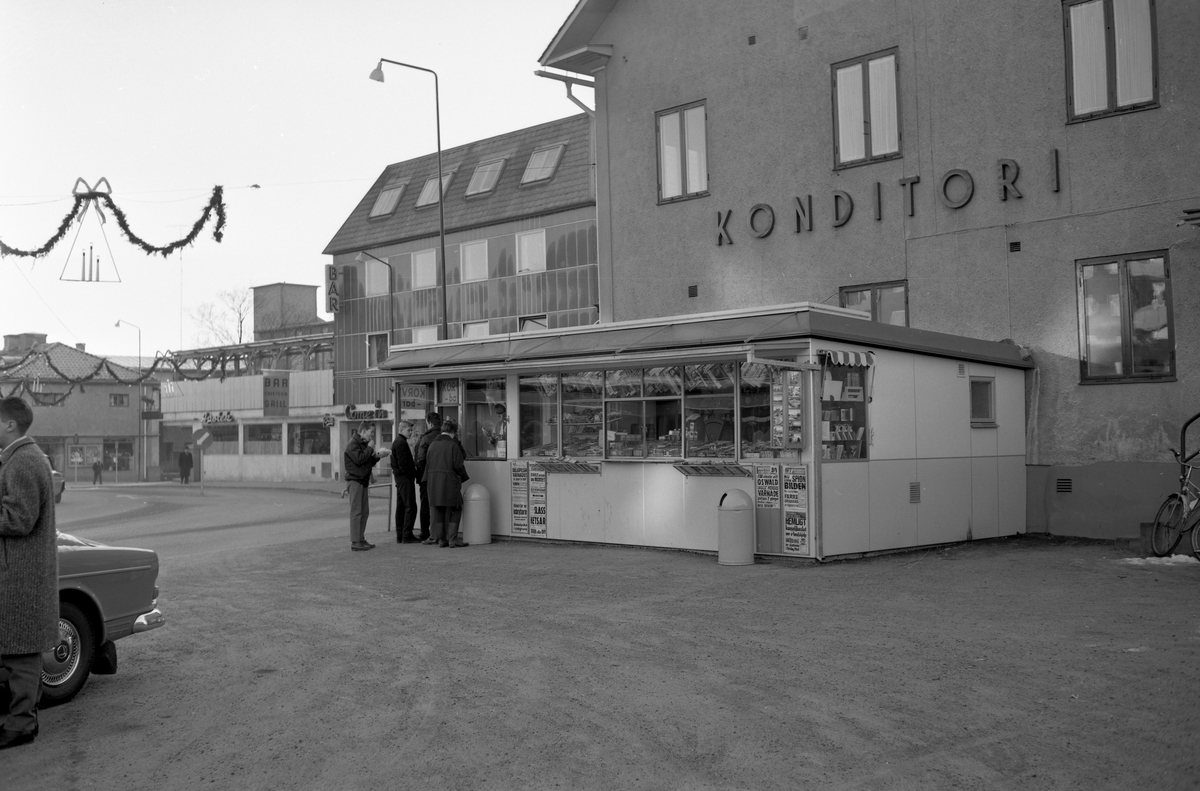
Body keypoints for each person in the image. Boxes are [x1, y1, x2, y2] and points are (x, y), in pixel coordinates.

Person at [0, 396, 59, 750]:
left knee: (20, 654)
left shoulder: (22, 461)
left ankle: (21, 725)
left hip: (19, 576)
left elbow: (18, 519)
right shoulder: (22, 457)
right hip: (21, 573)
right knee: (21, 650)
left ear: (10, 424)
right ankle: (25, 720)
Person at [421, 418, 470, 548]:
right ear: (453, 432)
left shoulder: (432, 445)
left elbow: (426, 463)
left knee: (439, 509)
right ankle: (453, 539)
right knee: (456, 508)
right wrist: (463, 476)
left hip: (433, 482)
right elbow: (458, 465)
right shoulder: (453, 445)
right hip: (449, 481)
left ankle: (442, 540)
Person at [343, 422, 389, 552]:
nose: (372, 435)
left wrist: (378, 456)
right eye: (371, 432)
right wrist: (370, 448)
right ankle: (356, 541)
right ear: (363, 431)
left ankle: (360, 538)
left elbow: (367, 461)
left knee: (364, 511)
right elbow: (359, 459)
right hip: (355, 480)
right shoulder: (353, 444)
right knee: (357, 511)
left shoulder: (362, 444)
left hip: (362, 480)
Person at [389, 421, 420, 543]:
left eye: (411, 430)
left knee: (401, 507)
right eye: (409, 430)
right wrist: (413, 473)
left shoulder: (398, 442)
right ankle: (407, 534)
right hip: (405, 478)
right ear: (401, 430)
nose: (411, 433)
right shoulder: (401, 443)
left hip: (400, 478)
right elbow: (404, 464)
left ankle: (400, 534)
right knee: (410, 506)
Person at [414, 412, 442, 543]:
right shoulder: (446, 436)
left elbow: (420, 458)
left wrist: (425, 472)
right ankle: (441, 532)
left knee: (426, 504)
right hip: (443, 476)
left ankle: (426, 532)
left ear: (430, 423)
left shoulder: (425, 438)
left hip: (427, 477)